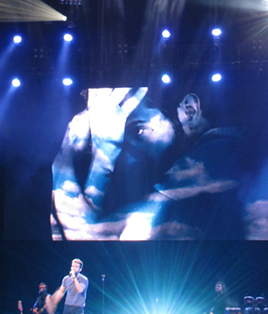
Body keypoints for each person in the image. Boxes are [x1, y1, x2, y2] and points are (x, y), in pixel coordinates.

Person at [51, 88, 246, 240]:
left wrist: (68, 153)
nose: (128, 158)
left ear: (189, 111)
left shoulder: (217, 151)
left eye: (138, 131)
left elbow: (83, 235)